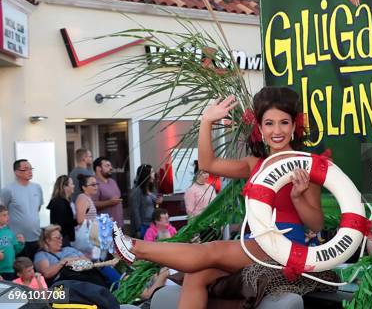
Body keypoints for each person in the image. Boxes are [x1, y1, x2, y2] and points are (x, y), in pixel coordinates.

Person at [112, 87, 324, 309]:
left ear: (294, 125)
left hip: (285, 246)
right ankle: (135, 249)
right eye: (269, 123)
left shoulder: (306, 164)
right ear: (260, 128)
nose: (277, 130)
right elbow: (207, 164)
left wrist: (298, 197)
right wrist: (206, 122)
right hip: (253, 242)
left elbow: (316, 223)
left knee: (211, 250)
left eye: (284, 122)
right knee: (196, 276)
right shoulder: (255, 164)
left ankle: (136, 249)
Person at [34, 225, 107, 287]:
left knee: (103, 274)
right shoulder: (42, 255)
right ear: (47, 240)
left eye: (61, 237)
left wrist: (75, 261)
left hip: (85, 273)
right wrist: (63, 262)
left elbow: (88, 262)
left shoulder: (68, 249)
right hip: (68, 282)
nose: (61, 239)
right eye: (57, 237)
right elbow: (46, 273)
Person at [0, 159, 43, 260]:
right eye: (26, 169)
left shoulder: (37, 187)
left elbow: (38, 208)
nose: (30, 171)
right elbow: (2, 211)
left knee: (34, 270)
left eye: (31, 169)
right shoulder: (8, 190)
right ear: (17, 172)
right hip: (17, 240)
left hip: (36, 237)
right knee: (21, 270)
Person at [130, 164, 162, 238]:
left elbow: (156, 201)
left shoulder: (152, 188)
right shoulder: (137, 190)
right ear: (145, 175)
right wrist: (139, 228)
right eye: (152, 172)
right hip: (143, 225)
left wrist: (158, 201)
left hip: (153, 224)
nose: (154, 174)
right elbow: (135, 211)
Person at [91, 157, 123, 227]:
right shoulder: (93, 183)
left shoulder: (112, 181)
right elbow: (91, 204)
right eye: (107, 166)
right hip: (105, 227)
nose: (111, 168)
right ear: (98, 168)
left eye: (110, 165)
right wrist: (109, 202)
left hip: (118, 225)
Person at [47, 175, 77, 247]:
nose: (74, 186)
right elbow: (63, 224)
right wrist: (78, 219)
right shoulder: (60, 203)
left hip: (62, 239)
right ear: (65, 186)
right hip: (62, 240)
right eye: (71, 184)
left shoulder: (61, 201)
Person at [0, 205, 25, 280]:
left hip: (10, 270)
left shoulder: (9, 232)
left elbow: (15, 250)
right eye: (4, 215)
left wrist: (21, 244)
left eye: (8, 214)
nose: (8, 217)